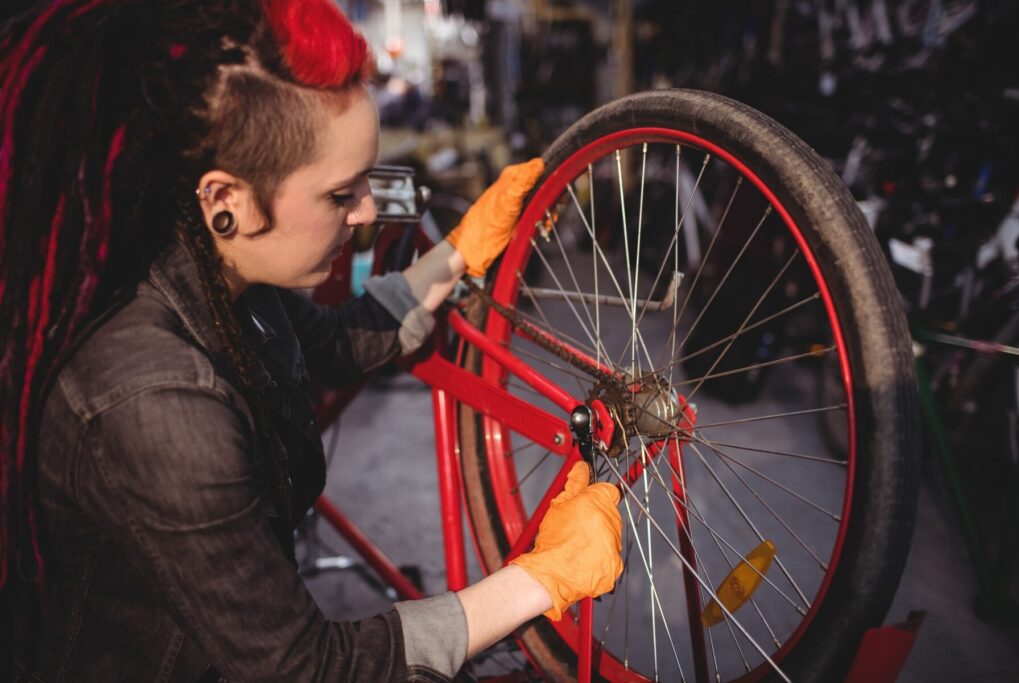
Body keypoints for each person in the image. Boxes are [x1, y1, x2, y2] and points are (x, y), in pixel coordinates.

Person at [0, 1, 623, 681]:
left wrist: (457, 253)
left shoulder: (224, 278)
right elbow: (306, 666)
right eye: (339, 195)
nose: (365, 213)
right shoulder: (154, 402)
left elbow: (334, 341)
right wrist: (539, 579)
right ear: (224, 199)